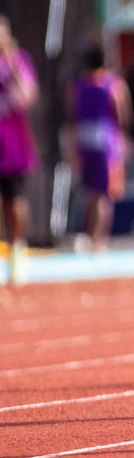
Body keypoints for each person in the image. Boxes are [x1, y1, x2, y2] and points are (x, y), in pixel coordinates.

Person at [70, 46, 133, 253]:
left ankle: (89, 236)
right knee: (104, 194)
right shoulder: (113, 85)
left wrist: (72, 148)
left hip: (83, 139)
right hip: (106, 141)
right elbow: (123, 116)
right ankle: (98, 240)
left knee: (90, 193)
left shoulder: (78, 86)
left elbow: (71, 116)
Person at [0, 15, 38, 280]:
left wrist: (12, 65)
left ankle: (18, 248)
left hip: (12, 141)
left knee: (15, 198)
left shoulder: (19, 59)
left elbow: (28, 97)